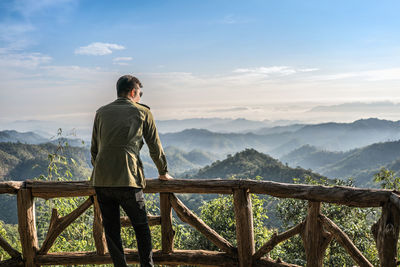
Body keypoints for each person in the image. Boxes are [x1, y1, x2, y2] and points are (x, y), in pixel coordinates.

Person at [90, 75, 173, 267]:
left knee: (111, 231)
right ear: (134, 92)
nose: (140, 97)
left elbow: (94, 149)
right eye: (140, 93)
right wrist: (163, 172)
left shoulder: (101, 112)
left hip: (101, 180)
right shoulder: (143, 112)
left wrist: (102, 169)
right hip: (128, 180)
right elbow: (155, 147)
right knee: (141, 227)